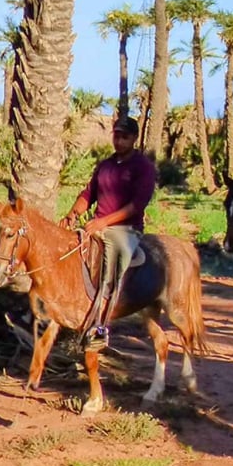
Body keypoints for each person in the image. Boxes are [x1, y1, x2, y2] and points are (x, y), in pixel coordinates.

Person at [61, 115, 157, 349]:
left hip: (126, 229)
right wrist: (72, 214)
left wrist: (103, 222)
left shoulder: (143, 168)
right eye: (116, 135)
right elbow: (88, 194)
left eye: (124, 136)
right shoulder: (105, 166)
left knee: (111, 270)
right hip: (97, 225)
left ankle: (101, 327)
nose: (119, 140)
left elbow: (137, 205)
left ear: (134, 138)